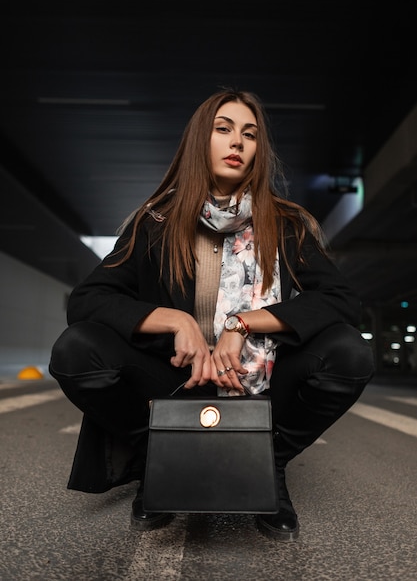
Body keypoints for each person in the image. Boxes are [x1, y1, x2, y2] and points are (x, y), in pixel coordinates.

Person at [49, 89, 375, 542]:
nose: (237, 143)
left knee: (349, 353)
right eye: (223, 130)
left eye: (249, 135)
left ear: (259, 151)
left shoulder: (286, 224)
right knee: (76, 349)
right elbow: (88, 300)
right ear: (201, 141)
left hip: (260, 380)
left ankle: (270, 462)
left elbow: (341, 301)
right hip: (175, 377)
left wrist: (241, 325)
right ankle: (153, 458)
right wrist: (175, 321)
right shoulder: (156, 222)